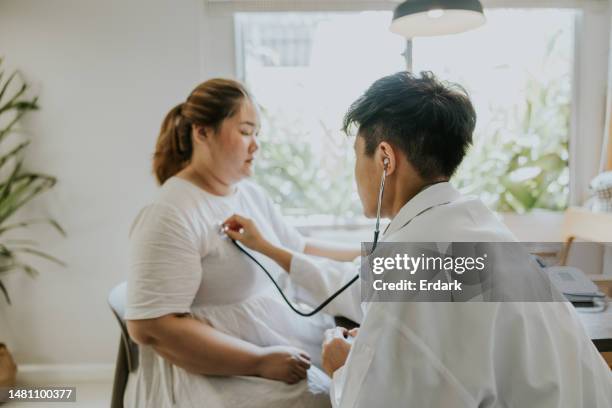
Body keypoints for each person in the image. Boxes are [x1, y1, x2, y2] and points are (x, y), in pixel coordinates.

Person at [224, 71, 612, 407]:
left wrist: (343, 368)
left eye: (358, 155)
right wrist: (271, 249)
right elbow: (361, 286)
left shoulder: (422, 255)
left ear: (385, 159)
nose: (355, 172)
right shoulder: (472, 227)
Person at [125, 78, 359, 408]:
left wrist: (368, 253)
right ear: (202, 132)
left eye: (257, 134)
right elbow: (150, 327)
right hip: (211, 370)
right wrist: (259, 360)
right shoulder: (170, 213)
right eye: (246, 131)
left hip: (275, 344)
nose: (256, 146)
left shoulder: (248, 194)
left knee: (356, 381)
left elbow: (298, 246)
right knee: (323, 399)